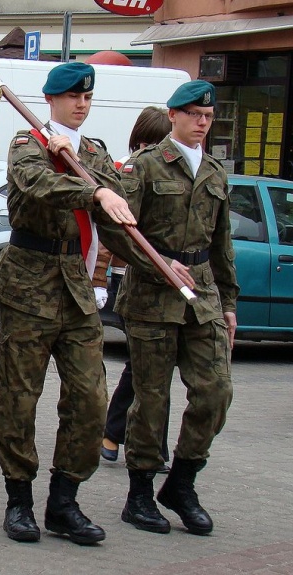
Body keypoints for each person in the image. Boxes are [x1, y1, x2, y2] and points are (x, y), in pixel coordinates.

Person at [0, 62, 135, 546]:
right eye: (72, 97)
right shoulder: (28, 143)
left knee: (90, 398)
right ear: (50, 100)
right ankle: (19, 499)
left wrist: (98, 181)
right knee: (19, 398)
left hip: (77, 288)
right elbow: (37, 184)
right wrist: (92, 188)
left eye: (87, 97)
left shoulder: (93, 152)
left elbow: (119, 200)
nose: (81, 104)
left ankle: (64, 501)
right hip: (29, 286)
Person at [97, 80, 238, 536]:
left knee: (216, 392)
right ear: (173, 115)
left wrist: (229, 303)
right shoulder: (145, 166)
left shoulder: (214, 172)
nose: (202, 123)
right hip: (152, 300)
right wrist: (159, 264)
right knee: (151, 401)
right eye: (194, 114)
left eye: (208, 116)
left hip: (202, 298)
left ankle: (181, 483)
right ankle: (139, 495)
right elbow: (118, 230)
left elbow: (222, 244)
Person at [97, 106, 173, 470]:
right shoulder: (130, 171)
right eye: (153, 143)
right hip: (132, 280)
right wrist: (98, 279)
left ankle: (132, 438)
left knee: (153, 365)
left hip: (165, 282)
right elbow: (111, 233)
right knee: (146, 365)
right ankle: (123, 435)